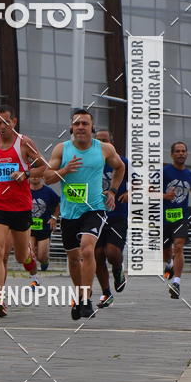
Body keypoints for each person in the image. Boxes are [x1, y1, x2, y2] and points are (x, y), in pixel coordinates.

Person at [44, 109, 125, 320]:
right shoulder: (62, 149)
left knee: (87, 250)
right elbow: (47, 178)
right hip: (70, 212)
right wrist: (65, 170)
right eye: (77, 123)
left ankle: (86, 298)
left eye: (85, 123)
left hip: (94, 208)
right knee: (73, 259)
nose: (81, 127)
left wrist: (113, 191)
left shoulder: (104, 149)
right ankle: (80, 294)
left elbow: (120, 167)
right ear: (71, 127)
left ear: (92, 128)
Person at [0, 104, 44, 317]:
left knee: (21, 257)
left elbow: (43, 166)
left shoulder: (24, 143)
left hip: (21, 208)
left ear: (14, 122)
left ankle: (29, 257)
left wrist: (26, 173)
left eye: (5, 122)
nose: (1, 126)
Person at [163, 141, 191, 299]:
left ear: (186, 154)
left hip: (181, 216)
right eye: (178, 151)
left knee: (179, 247)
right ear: (172, 154)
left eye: (183, 151)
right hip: (162, 217)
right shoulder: (164, 172)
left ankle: (176, 283)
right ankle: (169, 264)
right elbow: (149, 191)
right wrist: (165, 196)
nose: (181, 153)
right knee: (165, 252)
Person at [94, 130, 129, 308]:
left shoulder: (122, 162)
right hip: (95, 214)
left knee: (112, 253)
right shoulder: (91, 162)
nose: (102, 144)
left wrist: (130, 192)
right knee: (97, 255)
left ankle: (117, 270)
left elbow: (140, 183)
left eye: (105, 141)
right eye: (98, 141)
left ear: (112, 143)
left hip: (117, 214)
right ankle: (106, 293)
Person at [28, 177, 60, 285]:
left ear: (42, 176)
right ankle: (34, 278)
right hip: (29, 228)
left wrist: (54, 218)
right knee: (30, 254)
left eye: (37, 175)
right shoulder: (25, 190)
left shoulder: (48, 191)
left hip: (44, 228)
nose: (34, 177)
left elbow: (57, 204)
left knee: (41, 256)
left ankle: (45, 261)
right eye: (32, 175)